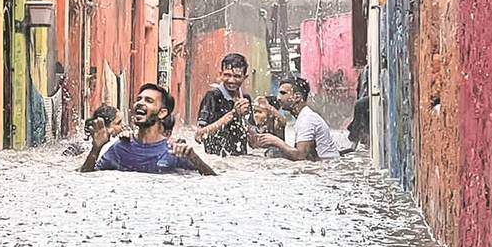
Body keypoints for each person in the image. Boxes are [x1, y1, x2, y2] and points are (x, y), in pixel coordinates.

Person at [81, 84, 216, 175]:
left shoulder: (174, 150)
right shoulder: (120, 147)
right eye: (139, 99)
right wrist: (96, 148)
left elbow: (211, 179)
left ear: (162, 113)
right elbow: (87, 175)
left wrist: (194, 158)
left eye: (149, 101)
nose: (140, 103)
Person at [249, 77, 340, 161]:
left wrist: (275, 141)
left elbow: (300, 156)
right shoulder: (303, 117)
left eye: (283, 93)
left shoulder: (307, 119)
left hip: (327, 165)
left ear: (297, 97)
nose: (278, 98)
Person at [195, 53, 252, 156]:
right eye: (227, 75)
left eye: (237, 76)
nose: (231, 80)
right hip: (216, 160)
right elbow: (199, 135)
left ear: (245, 77)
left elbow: (253, 142)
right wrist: (233, 114)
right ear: (220, 74)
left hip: (240, 164)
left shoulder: (245, 99)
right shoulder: (212, 96)